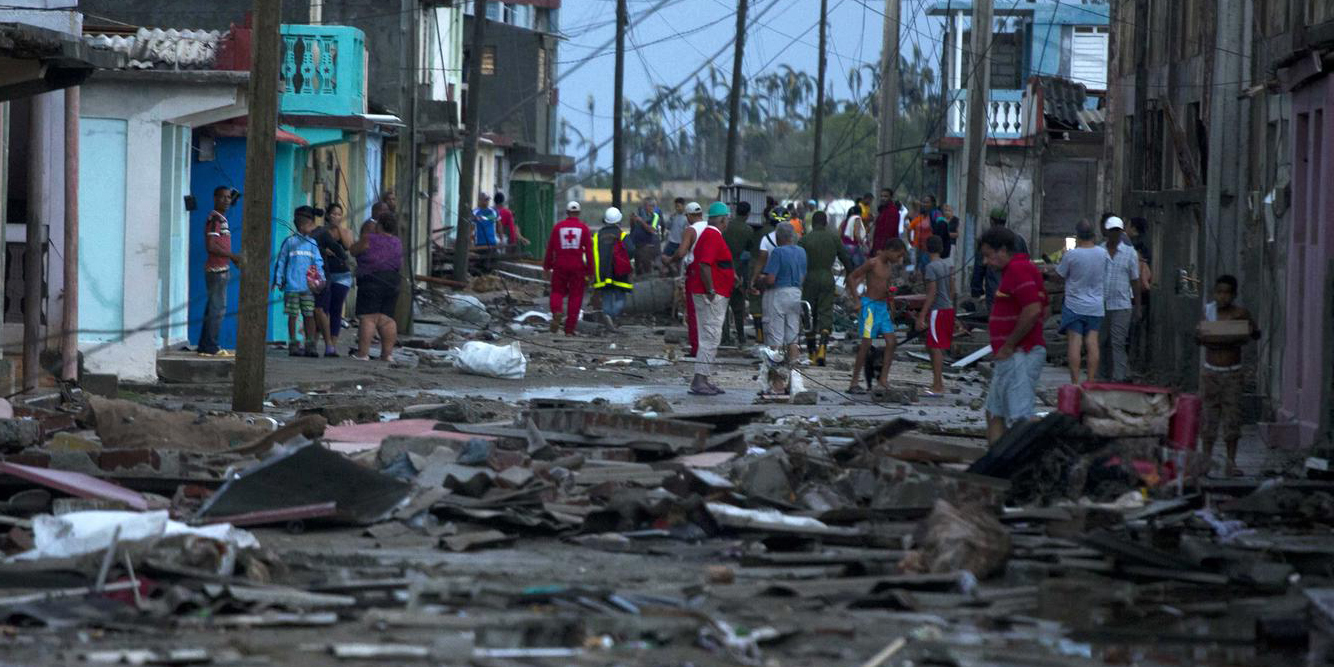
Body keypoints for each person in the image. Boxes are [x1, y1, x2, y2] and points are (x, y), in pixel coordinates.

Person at [980, 226, 1048, 445]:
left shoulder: (1019, 270)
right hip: (1010, 356)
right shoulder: (1017, 270)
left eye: (989, 256)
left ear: (1002, 250)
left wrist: (1010, 344)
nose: (986, 262)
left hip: (1020, 354)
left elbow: (1033, 310)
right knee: (994, 412)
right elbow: (1043, 310)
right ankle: (993, 468)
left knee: (1020, 420)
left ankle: (1021, 469)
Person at [1196, 274, 1259, 476]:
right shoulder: (1209, 312)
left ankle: (1231, 463)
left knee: (1232, 419)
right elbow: (1201, 337)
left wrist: (1242, 332)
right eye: (1219, 292)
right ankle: (1205, 461)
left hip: (1232, 373)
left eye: (1226, 293)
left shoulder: (1240, 314)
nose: (1222, 297)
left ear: (1233, 295)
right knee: (1208, 418)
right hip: (1211, 372)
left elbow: (1253, 333)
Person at [686, 203, 735, 396]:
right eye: (727, 219)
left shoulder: (708, 235)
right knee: (710, 336)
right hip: (712, 295)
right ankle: (699, 381)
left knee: (709, 336)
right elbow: (705, 264)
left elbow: (714, 263)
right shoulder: (713, 236)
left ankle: (703, 379)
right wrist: (711, 289)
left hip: (709, 291)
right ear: (723, 219)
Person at [847, 238, 907, 394]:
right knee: (866, 344)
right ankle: (854, 382)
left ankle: (883, 380)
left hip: (882, 308)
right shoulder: (872, 263)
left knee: (892, 342)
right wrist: (857, 300)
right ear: (890, 250)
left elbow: (887, 287)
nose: (899, 259)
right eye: (898, 255)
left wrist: (891, 305)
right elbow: (852, 277)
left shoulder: (888, 267)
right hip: (869, 307)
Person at [1055, 220, 1110, 384]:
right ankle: (1091, 382)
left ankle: (1075, 383)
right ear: (1094, 235)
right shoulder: (1103, 253)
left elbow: (1059, 276)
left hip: (1074, 306)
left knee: (1075, 342)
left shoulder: (1071, 255)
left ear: (1077, 236)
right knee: (1092, 342)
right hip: (1096, 306)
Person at [273, 206, 326, 358]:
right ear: (303, 226)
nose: (313, 228)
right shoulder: (289, 243)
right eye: (311, 225)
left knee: (309, 315)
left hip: (308, 288)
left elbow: (318, 263)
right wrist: (278, 280)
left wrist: (320, 280)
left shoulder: (313, 244)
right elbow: (281, 262)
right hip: (291, 287)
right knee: (293, 316)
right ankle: (294, 344)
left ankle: (310, 345)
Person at [350, 212, 403, 361]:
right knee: (387, 319)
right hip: (393, 280)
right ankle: (387, 355)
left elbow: (353, 250)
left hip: (372, 279)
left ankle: (363, 354)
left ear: (379, 225)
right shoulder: (397, 242)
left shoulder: (369, 239)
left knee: (368, 318)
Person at [800, 211, 850, 365]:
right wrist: (849, 275)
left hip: (809, 279)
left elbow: (798, 260)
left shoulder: (804, 239)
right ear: (826, 223)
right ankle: (822, 349)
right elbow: (846, 259)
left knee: (808, 313)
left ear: (813, 223)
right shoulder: (834, 238)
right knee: (825, 312)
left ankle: (811, 353)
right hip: (828, 278)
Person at [199, 185, 241, 357]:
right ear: (215, 198)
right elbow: (211, 246)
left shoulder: (222, 219)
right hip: (216, 270)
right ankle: (212, 347)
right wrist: (232, 256)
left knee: (213, 309)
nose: (226, 200)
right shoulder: (215, 219)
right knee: (218, 309)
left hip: (221, 268)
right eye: (222, 197)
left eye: (229, 197)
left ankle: (205, 346)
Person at [755, 222, 807, 364]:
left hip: (779, 294)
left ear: (778, 237)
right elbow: (803, 277)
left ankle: (776, 370)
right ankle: (794, 370)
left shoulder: (778, 252)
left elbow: (771, 279)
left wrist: (761, 278)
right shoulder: (801, 251)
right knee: (792, 336)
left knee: (775, 335)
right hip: (796, 293)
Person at [544, 201, 594, 336]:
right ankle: (569, 329)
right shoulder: (584, 228)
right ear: (578, 213)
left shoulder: (558, 227)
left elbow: (550, 249)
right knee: (576, 296)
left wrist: (547, 267)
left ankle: (557, 312)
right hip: (577, 266)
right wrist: (591, 271)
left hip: (560, 264)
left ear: (567, 212)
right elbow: (589, 252)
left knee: (557, 291)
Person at [1100, 215, 1139, 381]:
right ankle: (1102, 376)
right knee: (1102, 342)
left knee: (1118, 343)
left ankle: (1119, 378)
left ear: (1121, 232)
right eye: (1112, 231)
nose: (1115, 235)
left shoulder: (1130, 253)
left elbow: (1135, 281)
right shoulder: (1099, 251)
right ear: (1107, 232)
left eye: (1118, 231)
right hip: (1101, 305)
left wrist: (1138, 307)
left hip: (1122, 305)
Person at [312, 202, 354, 357]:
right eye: (333, 214)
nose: (336, 216)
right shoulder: (321, 232)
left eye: (339, 214)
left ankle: (332, 345)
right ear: (328, 215)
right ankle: (316, 341)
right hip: (324, 274)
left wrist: (338, 229)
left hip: (342, 276)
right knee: (322, 309)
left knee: (336, 310)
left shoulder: (345, 232)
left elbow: (348, 246)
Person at [916, 235, 955, 396]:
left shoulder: (931, 267)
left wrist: (921, 315)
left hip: (937, 310)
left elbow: (931, 293)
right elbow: (953, 289)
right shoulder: (948, 265)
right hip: (948, 309)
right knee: (934, 346)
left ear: (926, 248)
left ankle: (938, 385)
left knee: (935, 347)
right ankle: (937, 383)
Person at [668, 202, 707, 356]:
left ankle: (696, 348)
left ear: (690, 215)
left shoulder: (690, 230)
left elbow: (682, 252)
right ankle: (707, 348)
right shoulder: (711, 228)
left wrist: (670, 260)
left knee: (693, 312)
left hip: (695, 273)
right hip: (710, 272)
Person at [970, 208, 1029, 309]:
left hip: (995, 293)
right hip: (1016, 292)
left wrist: (976, 290)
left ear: (991, 221)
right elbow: (1026, 263)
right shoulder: (1018, 239)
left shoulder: (986, 240)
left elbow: (979, 267)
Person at [748, 207, 788, 343]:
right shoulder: (793, 238)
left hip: (768, 278)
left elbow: (761, 260)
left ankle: (763, 335)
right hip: (787, 280)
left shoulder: (766, 237)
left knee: (766, 308)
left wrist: (753, 279)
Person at [592, 207, 634, 331]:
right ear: (619, 220)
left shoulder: (597, 236)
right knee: (620, 299)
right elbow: (631, 250)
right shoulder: (622, 235)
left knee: (607, 298)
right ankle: (611, 316)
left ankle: (607, 317)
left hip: (603, 273)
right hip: (619, 272)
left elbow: (592, 254)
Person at [721, 201, 754, 347]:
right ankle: (741, 337)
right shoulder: (748, 230)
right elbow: (749, 253)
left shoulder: (726, 227)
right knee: (738, 308)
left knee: (722, 307)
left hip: (723, 270)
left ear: (735, 211)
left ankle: (725, 337)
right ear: (748, 214)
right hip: (739, 272)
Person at [629, 195, 661, 275]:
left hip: (646, 245)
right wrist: (632, 220)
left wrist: (641, 221)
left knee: (646, 268)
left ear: (651, 206)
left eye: (645, 205)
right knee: (638, 267)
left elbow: (652, 230)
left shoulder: (655, 216)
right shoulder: (640, 213)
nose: (643, 207)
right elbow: (633, 227)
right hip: (636, 244)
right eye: (643, 205)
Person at [839, 200, 868, 271]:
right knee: (858, 268)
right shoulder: (857, 219)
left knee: (849, 269)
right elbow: (857, 234)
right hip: (853, 247)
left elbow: (839, 234)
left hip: (844, 247)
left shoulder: (845, 221)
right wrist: (863, 244)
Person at [908, 200, 933, 276]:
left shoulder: (931, 219)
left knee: (924, 264)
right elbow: (909, 229)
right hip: (918, 245)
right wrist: (910, 241)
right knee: (917, 263)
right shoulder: (918, 219)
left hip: (927, 247)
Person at [871, 188, 900, 252]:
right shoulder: (883, 210)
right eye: (881, 196)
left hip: (886, 248)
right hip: (877, 245)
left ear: (891, 197)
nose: (883, 198)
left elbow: (889, 231)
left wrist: (882, 248)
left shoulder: (893, 211)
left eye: (885, 196)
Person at [663, 197, 688, 262]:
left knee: (678, 261)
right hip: (671, 242)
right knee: (663, 258)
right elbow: (668, 227)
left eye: (678, 206)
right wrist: (670, 218)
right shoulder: (674, 216)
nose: (677, 208)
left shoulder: (687, 218)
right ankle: (671, 269)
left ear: (683, 206)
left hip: (680, 244)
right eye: (676, 206)